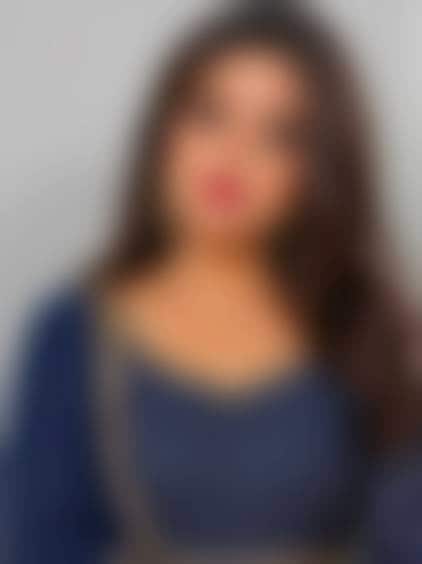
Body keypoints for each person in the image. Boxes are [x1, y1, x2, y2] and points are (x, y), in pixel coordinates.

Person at [9, 2, 422, 563]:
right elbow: (38, 542)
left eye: (279, 134)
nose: (234, 153)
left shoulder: (363, 323)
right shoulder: (74, 334)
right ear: (164, 130)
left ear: (319, 165)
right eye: (210, 114)